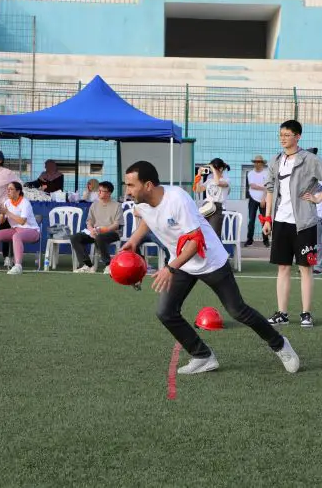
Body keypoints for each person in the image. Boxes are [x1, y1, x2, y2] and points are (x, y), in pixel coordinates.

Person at [120, 160, 300, 375]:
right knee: (166, 312)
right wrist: (133, 241)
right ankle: (202, 356)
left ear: (148, 185)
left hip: (210, 260)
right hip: (182, 263)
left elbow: (196, 242)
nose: (127, 190)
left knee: (238, 311)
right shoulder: (141, 202)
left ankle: (280, 344)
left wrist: (170, 268)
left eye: (131, 185)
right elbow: (148, 219)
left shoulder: (177, 199)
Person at [262, 120, 322, 328]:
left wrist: (319, 197)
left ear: (298, 136)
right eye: (281, 134)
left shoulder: (309, 159)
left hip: (305, 223)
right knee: (283, 268)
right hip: (281, 221)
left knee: (305, 268)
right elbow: (270, 189)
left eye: (287, 135)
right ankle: (282, 313)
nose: (283, 138)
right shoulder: (276, 161)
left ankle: (306, 313)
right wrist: (268, 218)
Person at [0, 181, 40, 275]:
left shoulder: (25, 203)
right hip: (15, 229)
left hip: (32, 231)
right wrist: (2, 213)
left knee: (16, 236)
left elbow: (22, 221)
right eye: (7, 189)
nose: (8, 191)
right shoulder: (7, 202)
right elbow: (1, 222)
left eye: (11, 189)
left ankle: (18, 266)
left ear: (18, 191)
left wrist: (7, 212)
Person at [70, 181, 123, 274]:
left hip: (112, 232)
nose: (99, 193)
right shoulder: (94, 204)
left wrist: (103, 230)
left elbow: (117, 224)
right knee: (75, 237)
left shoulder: (117, 205)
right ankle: (87, 265)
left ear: (109, 193)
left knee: (100, 237)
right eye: (99, 190)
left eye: (101, 191)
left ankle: (108, 265)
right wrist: (91, 230)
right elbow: (89, 221)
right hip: (96, 232)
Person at [196, 158, 230, 237]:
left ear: (221, 169)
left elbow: (217, 183)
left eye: (214, 168)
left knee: (214, 235)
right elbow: (198, 190)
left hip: (217, 207)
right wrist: (199, 175)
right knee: (203, 233)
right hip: (206, 206)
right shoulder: (210, 179)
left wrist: (213, 168)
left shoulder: (226, 180)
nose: (212, 170)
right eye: (211, 169)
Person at [245, 154, 269, 247]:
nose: (257, 164)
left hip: (263, 199)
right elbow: (252, 186)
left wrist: (263, 198)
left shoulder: (266, 173)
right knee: (251, 220)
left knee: (264, 220)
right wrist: (263, 187)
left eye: (259, 162)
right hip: (252, 198)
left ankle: (266, 240)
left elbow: (267, 187)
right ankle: (249, 240)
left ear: (262, 163)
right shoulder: (250, 173)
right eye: (256, 162)